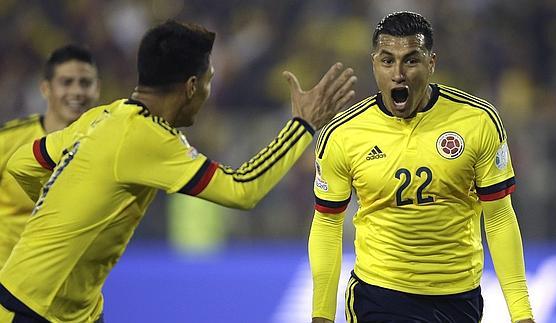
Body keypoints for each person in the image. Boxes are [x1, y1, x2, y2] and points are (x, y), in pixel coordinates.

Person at [0, 20, 356, 323]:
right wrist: (302, 125)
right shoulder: (148, 138)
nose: (209, 89)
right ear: (191, 86)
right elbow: (242, 189)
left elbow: (21, 163)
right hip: (35, 309)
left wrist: (55, 210)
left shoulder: (103, 116)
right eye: (208, 79)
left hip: (64, 305)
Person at [308, 11, 535, 323]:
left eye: (411, 60)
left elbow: (499, 218)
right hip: (379, 295)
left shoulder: (477, 122)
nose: (398, 73)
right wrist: (321, 314)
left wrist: (522, 314)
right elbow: (328, 223)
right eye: (387, 61)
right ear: (374, 63)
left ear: (431, 63)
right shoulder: (343, 134)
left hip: (459, 298)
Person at [0, 44, 100, 268]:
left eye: (85, 83)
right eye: (66, 82)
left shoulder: (108, 147)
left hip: (67, 286)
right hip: (6, 282)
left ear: (97, 89)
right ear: (46, 89)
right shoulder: (7, 142)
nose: (77, 91)